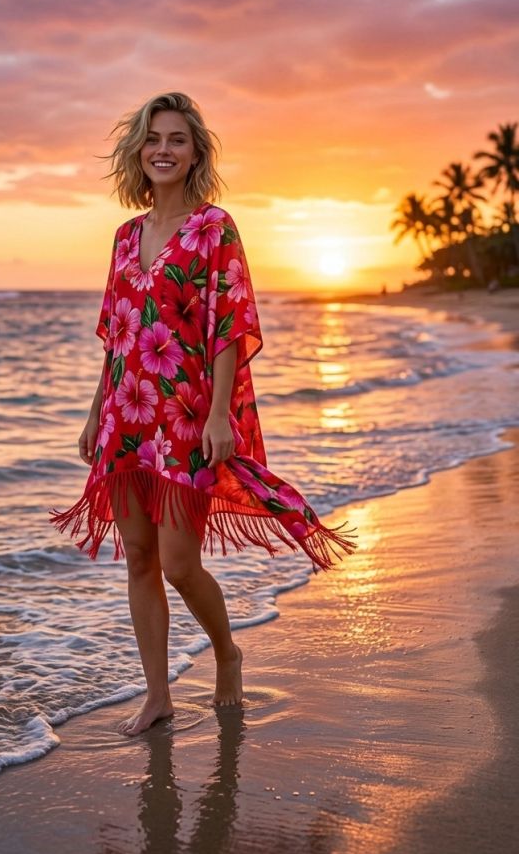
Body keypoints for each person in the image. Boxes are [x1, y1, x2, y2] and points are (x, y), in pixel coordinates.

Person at [50, 92, 357, 736]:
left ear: (196, 155)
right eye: (153, 138)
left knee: (179, 562)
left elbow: (228, 327)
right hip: (125, 416)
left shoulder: (214, 228)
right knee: (138, 557)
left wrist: (221, 416)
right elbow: (117, 335)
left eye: (177, 140)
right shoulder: (125, 236)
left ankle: (227, 652)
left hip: (186, 417)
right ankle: (157, 694)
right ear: (139, 150)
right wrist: (93, 414)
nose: (163, 149)